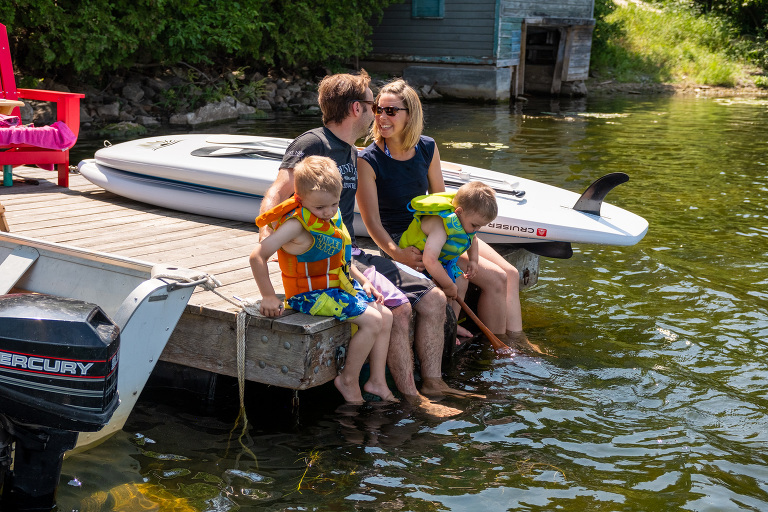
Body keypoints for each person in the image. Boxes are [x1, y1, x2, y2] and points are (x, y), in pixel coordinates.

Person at [257, 70, 468, 416]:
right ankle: (413, 397)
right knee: (397, 308)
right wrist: (268, 237)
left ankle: (434, 382)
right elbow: (276, 193)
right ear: (358, 108)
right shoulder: (313, 144)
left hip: (349, 255)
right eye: (374, 105)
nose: (378, 114)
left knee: (432, 298)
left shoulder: (354, 152)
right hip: (323, 263)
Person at [357, 79, 529, 346]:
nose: (381, 117)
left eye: (391, 111)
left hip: (439, 227)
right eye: (379, 109)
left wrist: (465, 239)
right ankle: (500, 351)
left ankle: (519, 341)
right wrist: (397, 253)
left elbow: (443, 200)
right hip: (408, 239)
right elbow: (371, 223)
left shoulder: (427, 147)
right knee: (495, 279)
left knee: (511, 274)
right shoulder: (368, 160)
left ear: (410, 115)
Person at [250, 156, 394, 404]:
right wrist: (269, 296)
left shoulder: (330, 214)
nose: (328, 212)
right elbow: (257, 256)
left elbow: (341, 258)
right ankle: (348, 380)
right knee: (371, 321)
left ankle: (377, 381)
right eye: (319, 208)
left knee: (386, 314)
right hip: (308, 296)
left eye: (334, 205)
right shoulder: (296, 225)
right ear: (300, 198)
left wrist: (362, 280)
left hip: (335, 288)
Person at [398, 182, 498, 325]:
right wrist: (447, 285)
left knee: (462, 281)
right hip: (418, 263)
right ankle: (440, 327)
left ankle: (452, 325)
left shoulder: (465, 221)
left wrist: (473, 260)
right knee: (441, 288)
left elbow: (472, 238)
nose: (476, 229)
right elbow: (430, 260)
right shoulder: (440, 226)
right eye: (475, 225)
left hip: (439, 262)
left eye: (480, 226)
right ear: (458, 212)